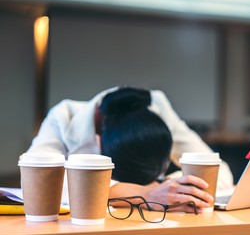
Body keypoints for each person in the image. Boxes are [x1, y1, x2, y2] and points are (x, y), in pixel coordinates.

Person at [27, 86, 234, 212]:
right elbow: (37, 182)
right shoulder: (64, 117)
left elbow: (219, 172)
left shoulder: (157, 107)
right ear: (98, 143)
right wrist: (146, 194)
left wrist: (174, 189)